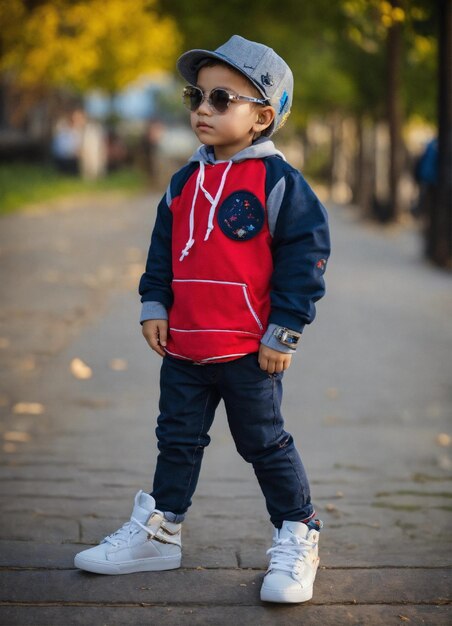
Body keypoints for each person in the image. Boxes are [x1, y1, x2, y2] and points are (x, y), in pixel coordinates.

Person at [74, 35, 330, 604]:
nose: (202, 109)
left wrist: (284, 330)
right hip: (185, 347)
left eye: (221, 98)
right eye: (197, 95)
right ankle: (162, 530)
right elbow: (162, 250)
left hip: (249, 349)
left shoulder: (279, 182)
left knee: (263, 442)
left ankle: (297, 530)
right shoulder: (184, 181)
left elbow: (306, 258)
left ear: (262, 116)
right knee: (177, 440)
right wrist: (153, 305)